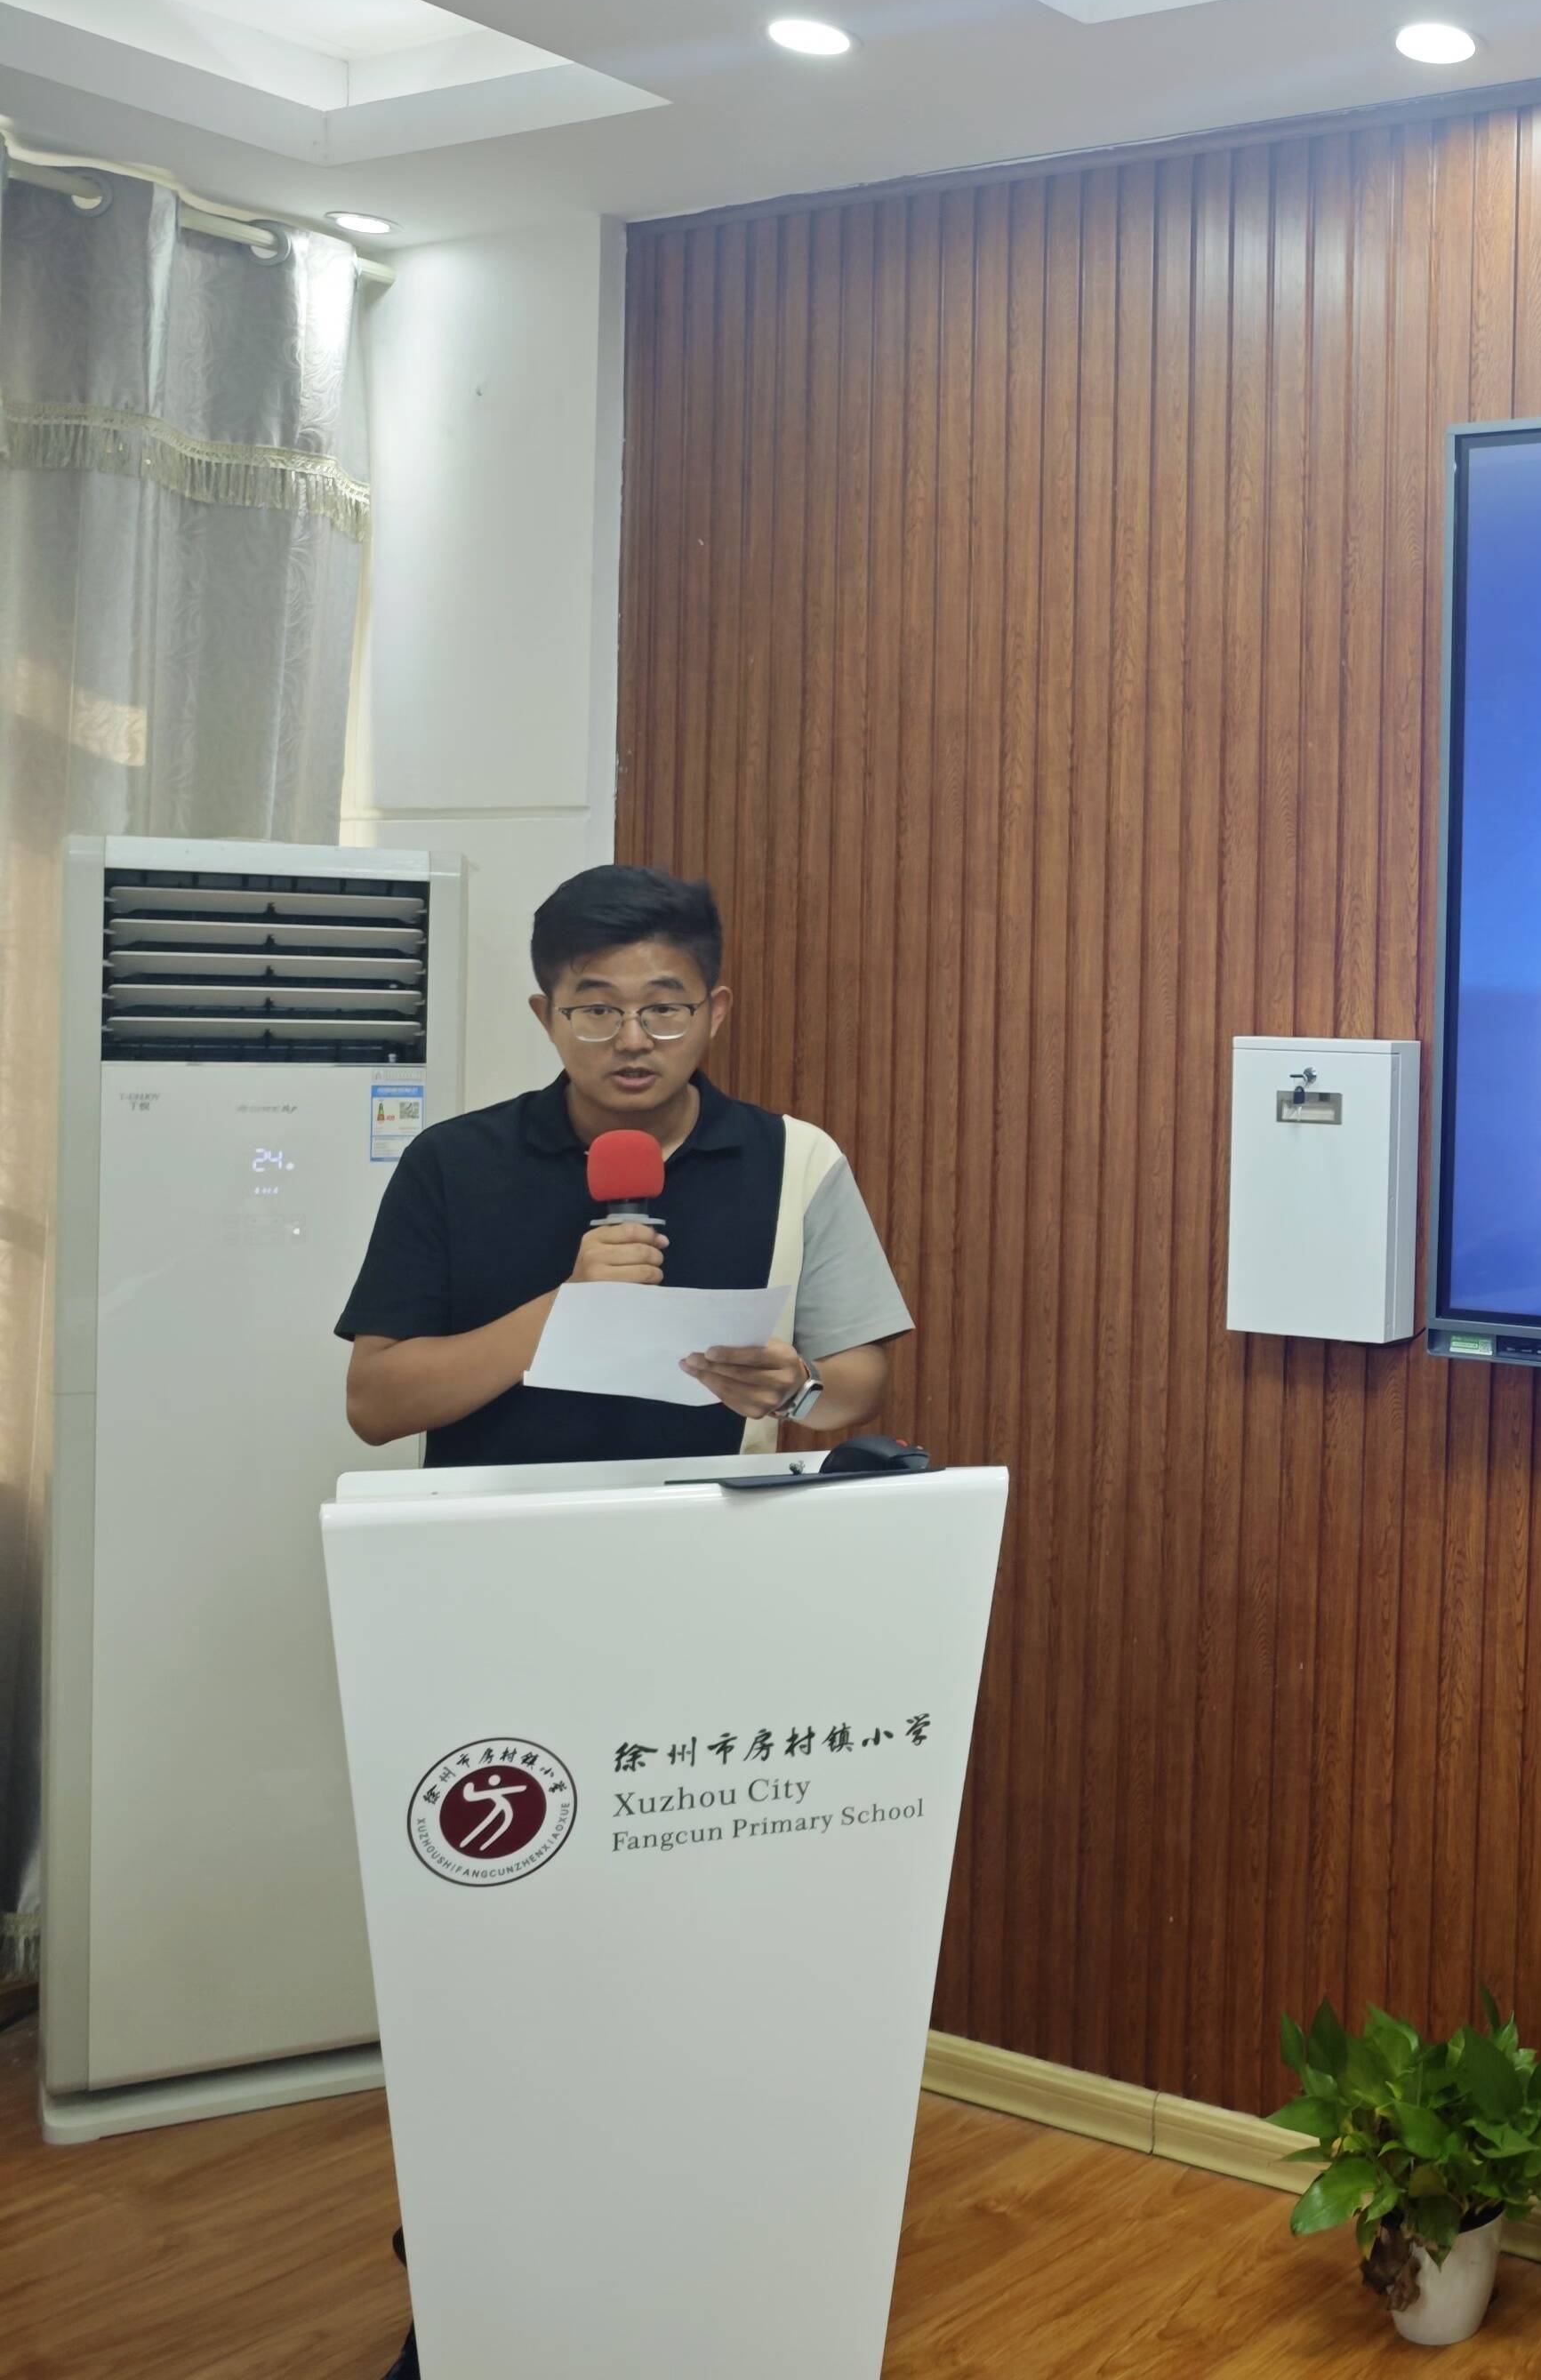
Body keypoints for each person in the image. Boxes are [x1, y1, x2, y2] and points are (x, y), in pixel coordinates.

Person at [333, 861, 913, 2378]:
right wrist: (559, 1312)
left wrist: (795, 1386)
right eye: (595, 1009)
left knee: (685, 1966)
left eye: (664, 1005)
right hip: (491, 1610)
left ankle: (686, 2279)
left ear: (718, 1007)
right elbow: (378, 1398)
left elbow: (860, 1379)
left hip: (706, 1608)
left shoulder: (795, 1161)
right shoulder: (457, 1164)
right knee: (499, 1969)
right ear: (545, 1014)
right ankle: (472, 2297)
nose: (632, 1038)